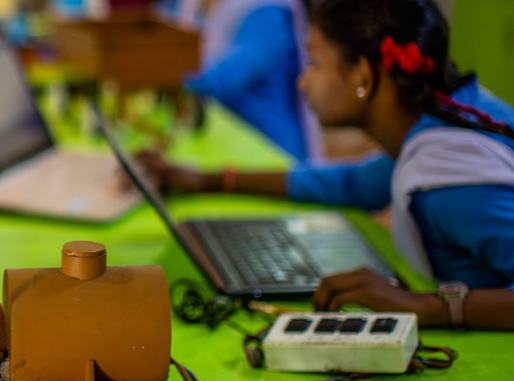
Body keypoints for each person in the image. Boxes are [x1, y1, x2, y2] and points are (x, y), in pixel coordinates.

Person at [137, 0, 514, 330]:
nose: (302, 81)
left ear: (363, 77)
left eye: (315, 63)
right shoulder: (441, 119)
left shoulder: (451, 186)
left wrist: (421, 306)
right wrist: (209, 180)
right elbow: (354, 184)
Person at [182, 0, 323, 161]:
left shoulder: (268, 12)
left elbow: (227, 79)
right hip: (234, 147)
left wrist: (161, 70)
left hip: (271, 151)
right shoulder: (216, 7)